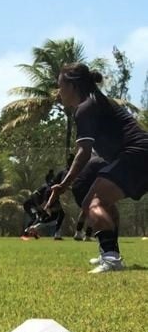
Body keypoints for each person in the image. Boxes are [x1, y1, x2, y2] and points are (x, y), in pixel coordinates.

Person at [48, 62, 148, 273]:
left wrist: (63, 184)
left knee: (93, 203)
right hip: (136, 155)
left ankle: (111, 259)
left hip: (136, 155)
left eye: (60, 86)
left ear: (73, 86)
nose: (59, 92)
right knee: (89, 195)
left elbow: (84, 152)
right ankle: (109, 251)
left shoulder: (85, 108)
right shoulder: (96, 102)